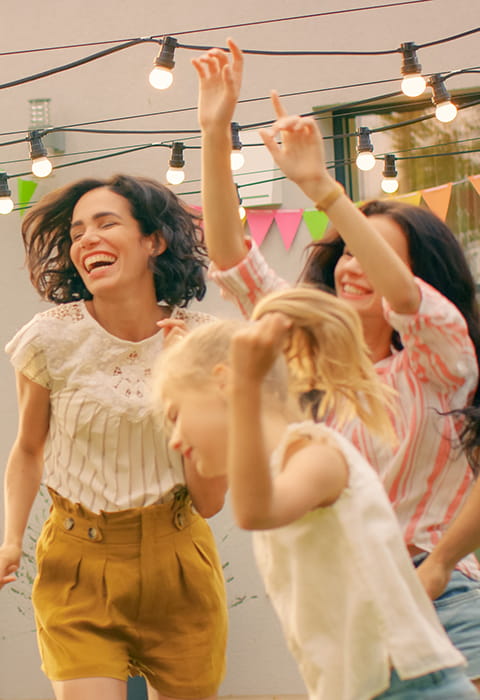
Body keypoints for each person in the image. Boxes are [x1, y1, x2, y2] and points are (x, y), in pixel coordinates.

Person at [192, 38, 480, 687]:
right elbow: (235, 260)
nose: (351, 265)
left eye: (373, 251)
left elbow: (404, 298)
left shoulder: (441, 358)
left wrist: (322, 187)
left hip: (443, 595)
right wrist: (214, 131)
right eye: (345, 250)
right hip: (347, 609)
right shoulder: (310, 354)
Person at [152, 284, 479, 700]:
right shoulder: (285, 465)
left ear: (224, 385)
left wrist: (245, 386)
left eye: (177, 415)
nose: (176, 439)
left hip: (411, 685)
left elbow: (255, 511)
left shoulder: (318, 456)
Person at [0, 174, 228, 700]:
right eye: (78, 231)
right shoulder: (50, 337)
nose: (86, 240)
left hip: (178, 565)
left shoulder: (202, 342)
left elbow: (211, 501)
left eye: (106, 223)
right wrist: (11, 539)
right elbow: (29, 448)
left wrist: (187, 392)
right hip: (77, 564)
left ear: (154, 240)